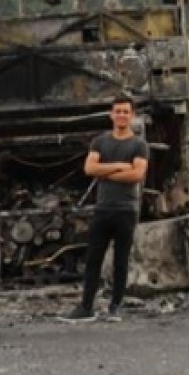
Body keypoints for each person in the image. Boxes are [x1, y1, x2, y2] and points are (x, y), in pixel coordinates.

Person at [61, 95, 150, 323]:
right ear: (111, 115)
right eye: (117, 111)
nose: (121, 115)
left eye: (125, 112)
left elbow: (137, 175)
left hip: (126, 209)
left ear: (132, 115)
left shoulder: (139, 145)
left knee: (121, 261)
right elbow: (90, 169)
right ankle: (86, 307)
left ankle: (115, 306)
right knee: (93, 259)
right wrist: (120, 166)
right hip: (103, 208)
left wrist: (105, 172)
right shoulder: (99, 142)